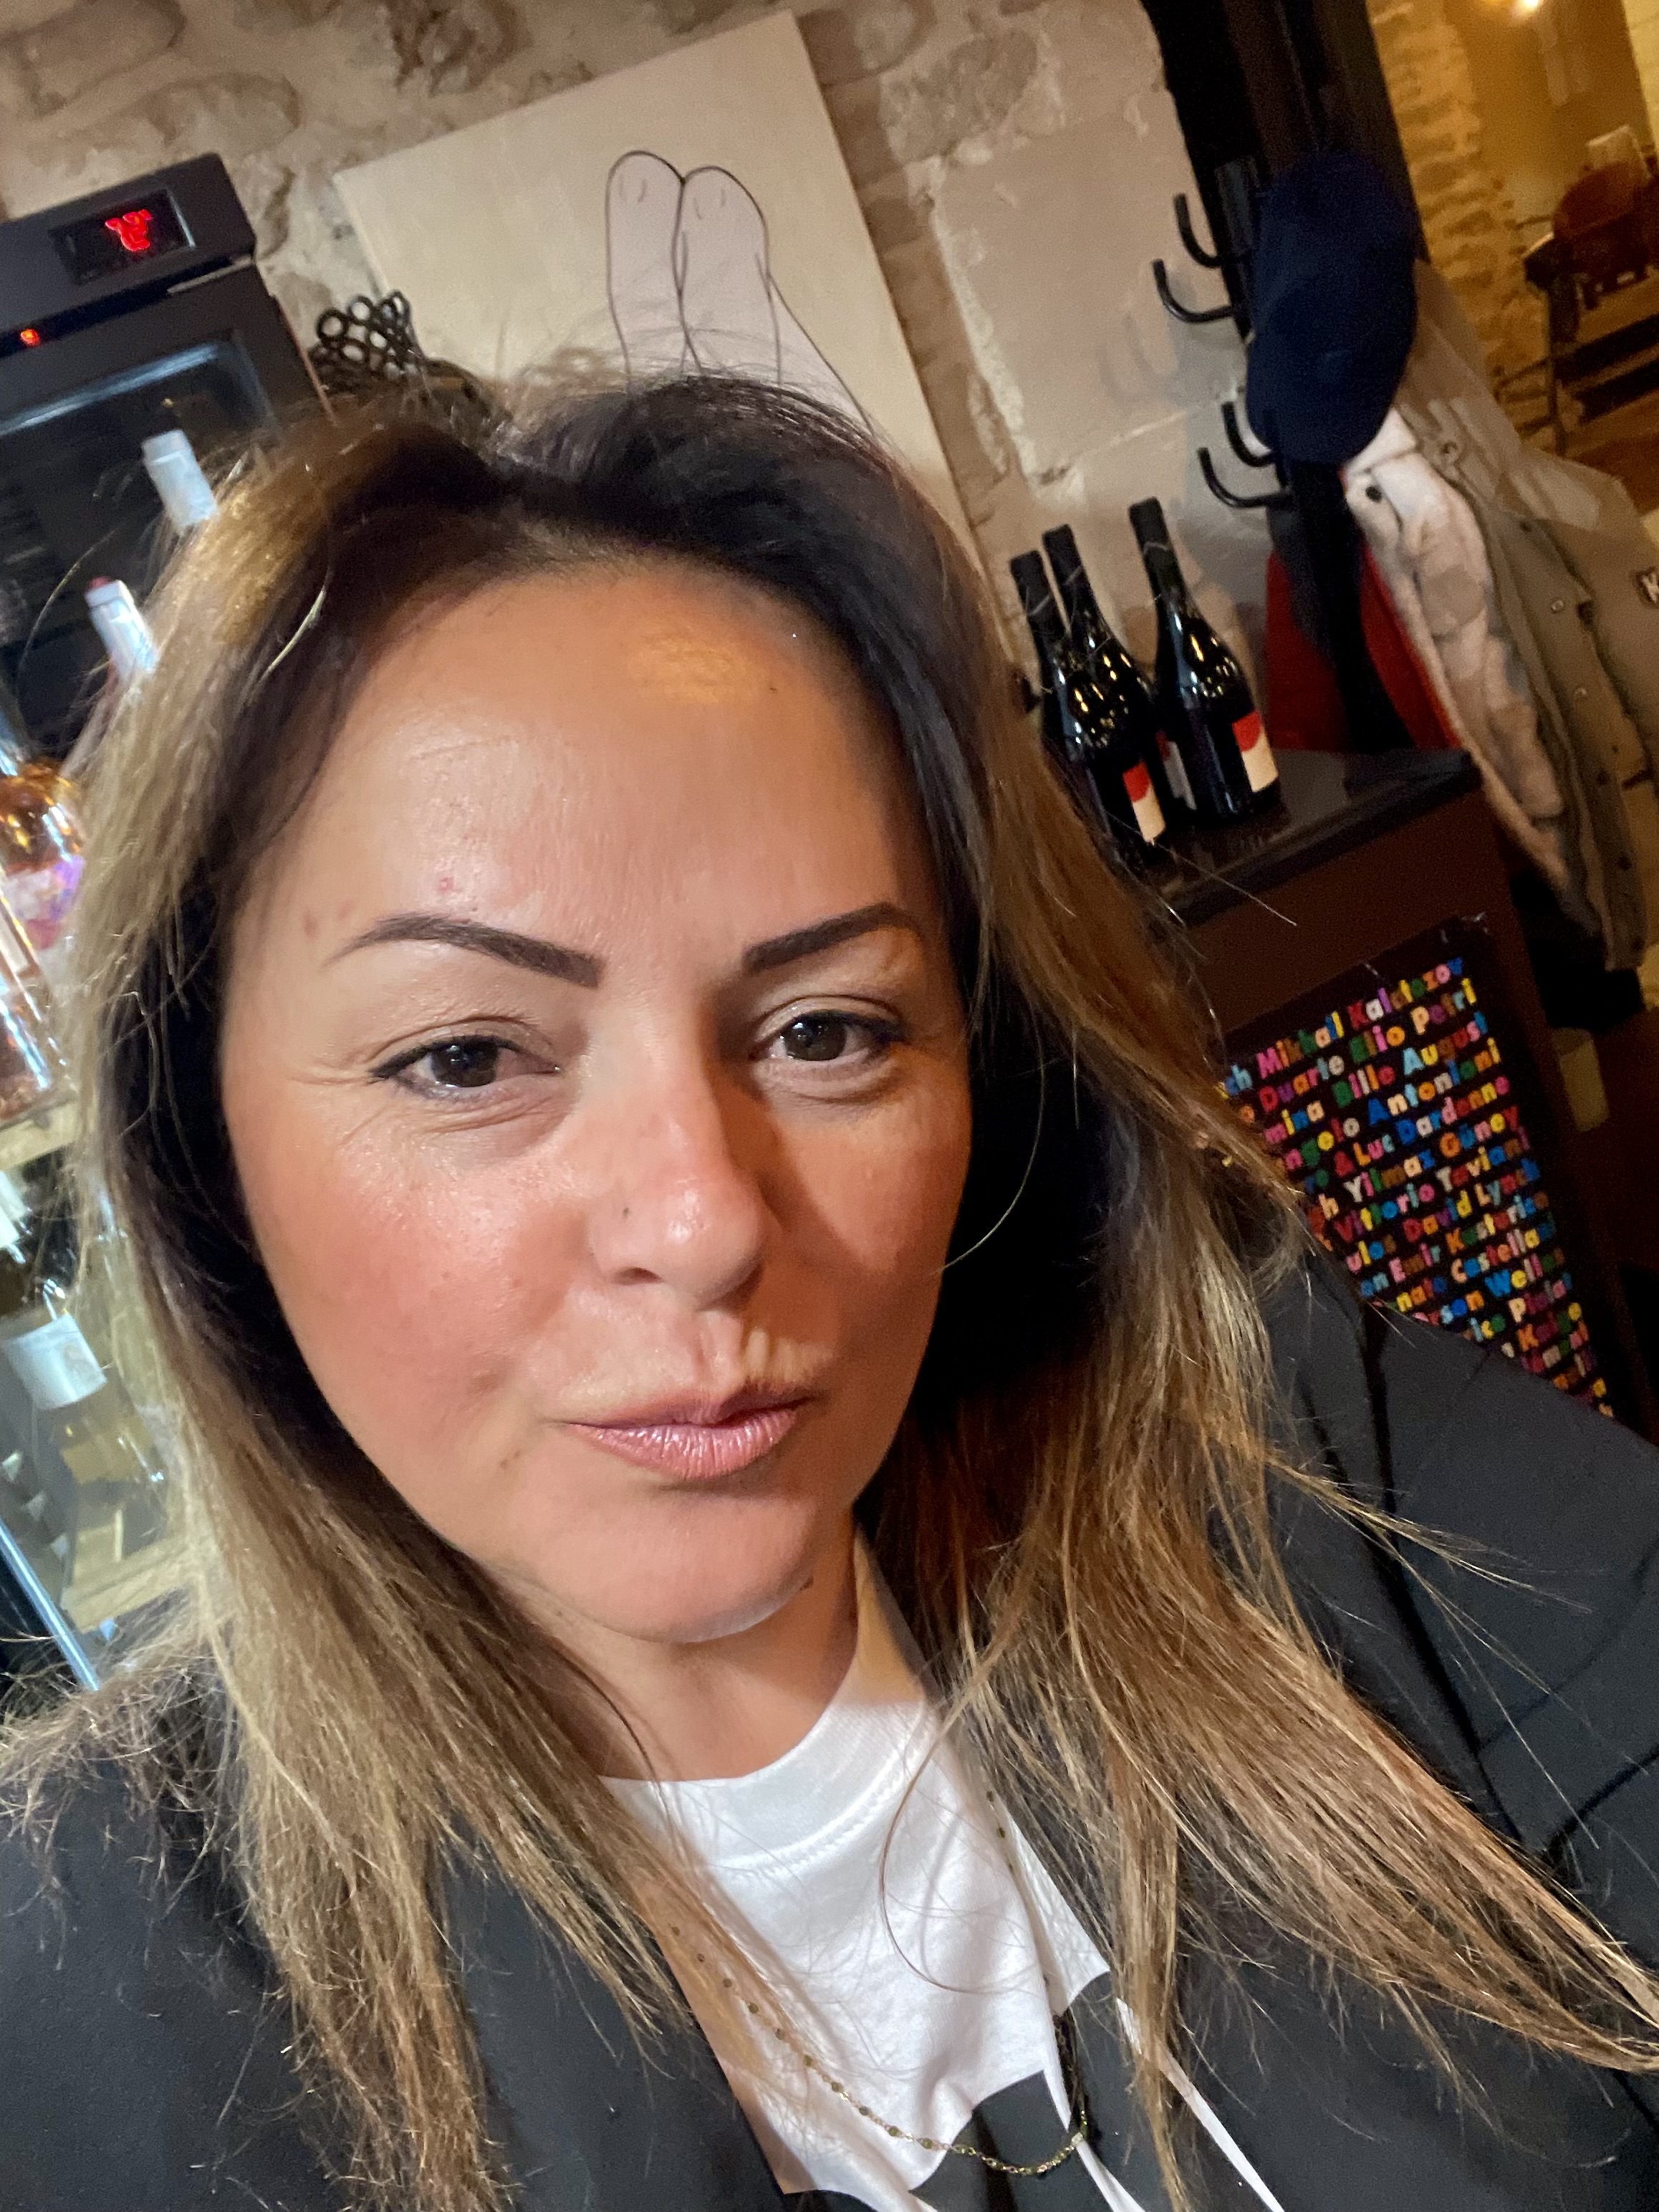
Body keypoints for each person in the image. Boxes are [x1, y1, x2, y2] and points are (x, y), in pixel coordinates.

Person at [2, 377, 1657, 2212]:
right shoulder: (82, 1987)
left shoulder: (1303, 1463)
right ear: (203, 1152)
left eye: (826, 1030)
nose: (708, 1219)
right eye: (467, 1055)